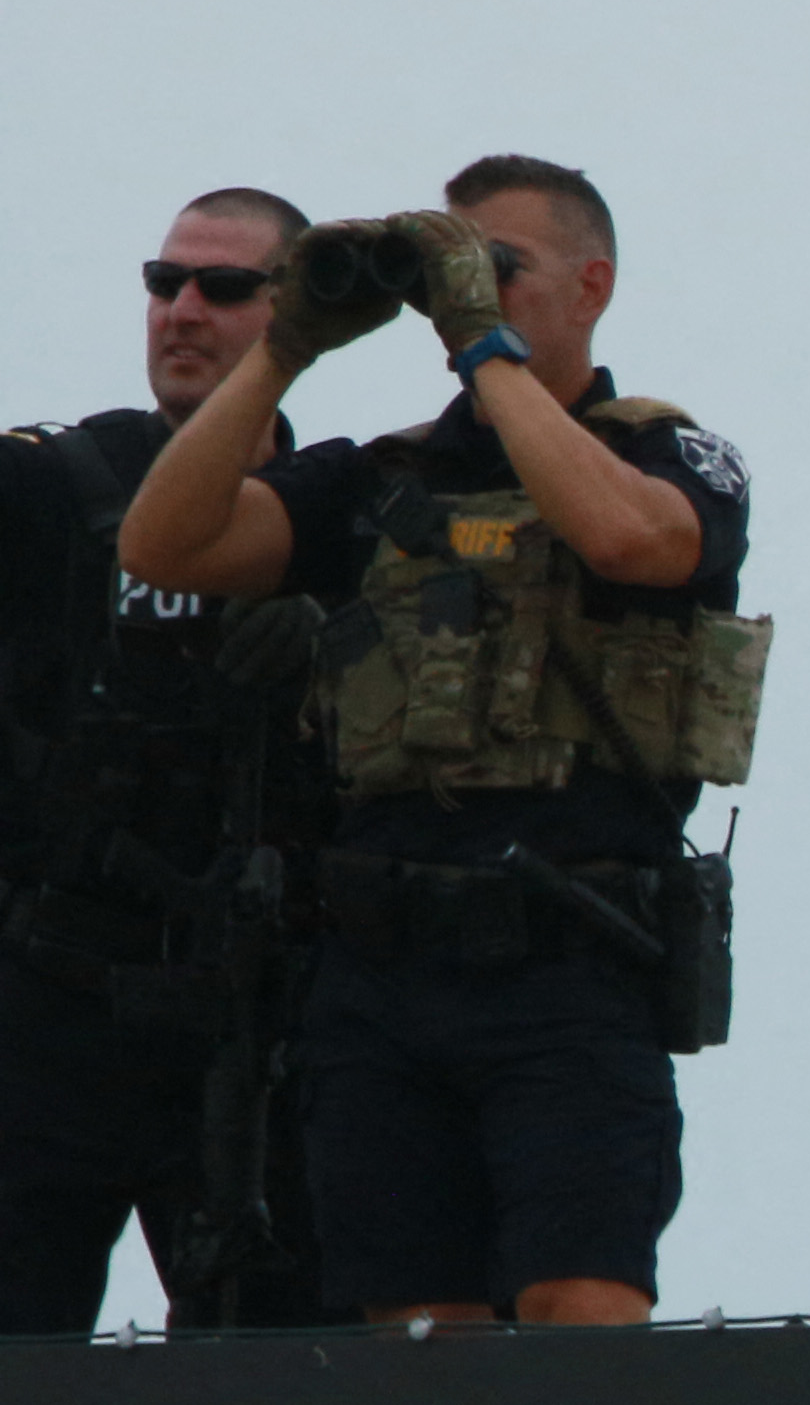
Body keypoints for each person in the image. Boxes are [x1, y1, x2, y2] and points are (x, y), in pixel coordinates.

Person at [119, 155, 761, 1328]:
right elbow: (164, 545)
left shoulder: (664, 455)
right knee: (416, 1340)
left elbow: (631, 540)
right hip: (381, 972)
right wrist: (285, 349)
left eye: (499, 266)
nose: (468, 290)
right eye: (451, 270)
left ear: (591, 286)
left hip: (569, 958)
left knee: (578, 1310)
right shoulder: (384, 476)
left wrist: (484, 349)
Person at [0, 188, 344, 1332]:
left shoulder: (339, 515)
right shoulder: (51, 485)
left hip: (257, 1016)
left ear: (295, 313)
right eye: (164, 282)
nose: (183, 310)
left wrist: (334, 638)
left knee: (284, 1374)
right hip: (50, 999)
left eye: (225, 287)